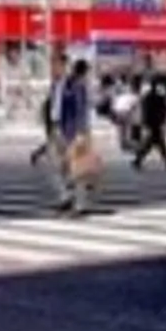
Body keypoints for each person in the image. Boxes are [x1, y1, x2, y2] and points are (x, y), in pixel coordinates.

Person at [52, 56, 102, 215]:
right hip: (68, 131)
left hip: (69, 131)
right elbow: (62, 108)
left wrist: (79, 131)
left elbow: (77, 109)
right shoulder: (67, 85)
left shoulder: (71, 85)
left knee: (72, 169)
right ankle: (71, 200)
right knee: (69, 169)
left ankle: (74, 201)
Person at [132, 72, 166, 172]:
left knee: (154, 142)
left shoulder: (148, 97)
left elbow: (146, 110)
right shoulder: (156, 97)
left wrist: (145, 121)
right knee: (158, 143)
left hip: (151, 121)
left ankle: (138, 160)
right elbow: (164, 109)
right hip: (155, 122)